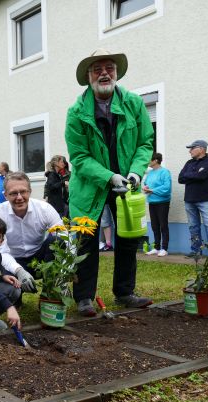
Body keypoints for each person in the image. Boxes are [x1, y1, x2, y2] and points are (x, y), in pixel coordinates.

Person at [65, 49, 154, 316]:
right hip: (90, 185)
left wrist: (136, 172)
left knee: (128, 238)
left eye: (109, 68)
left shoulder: (134, 103)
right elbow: (79, 157)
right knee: (85, 239)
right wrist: (108, 176)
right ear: (89, 76)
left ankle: (125, 292)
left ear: (116, 72)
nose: (104, 73)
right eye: (97, 69)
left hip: (127, 183)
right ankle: (83, 298)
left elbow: (145, 142)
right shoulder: (76, 112)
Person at [0, 171, 63, 294]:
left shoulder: (45, 209)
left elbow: (63, 237)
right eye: (13, 193)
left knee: (57, 241)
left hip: (39, 258)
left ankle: (48, 294)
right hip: (12, 259)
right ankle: (17, 297)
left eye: (23, 192)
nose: (19, 197)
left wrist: (67, 269)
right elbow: (0, 251)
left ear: (30, 191)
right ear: (5, 195)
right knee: (13, 295)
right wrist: (19, 271)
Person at [178, 140, 208, 258]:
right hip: (189, 200)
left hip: (205, 199)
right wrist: (195, 174)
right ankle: (196, 250)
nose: (189, 151)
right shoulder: (189, 162)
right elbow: (181, 178)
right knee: (193, 226)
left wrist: (189, 175)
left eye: (192, 148)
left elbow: (202, 176)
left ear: (201, 149)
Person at [142, 152, 172, 256]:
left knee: (163, 225)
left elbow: (167, 188)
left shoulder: (165, 172)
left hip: (162, 203)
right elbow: (146, 184)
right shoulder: (150, 173)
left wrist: (152, 190)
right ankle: (156, 247)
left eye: (149, 159)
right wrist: (145, 187)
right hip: (152, 202)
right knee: (155, 225)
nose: (148, 162)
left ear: (155, 160)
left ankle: (164, 248)